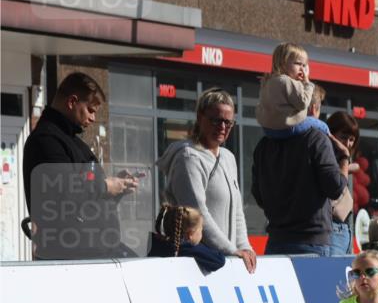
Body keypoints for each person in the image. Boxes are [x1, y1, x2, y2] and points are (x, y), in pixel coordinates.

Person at [23, 72, 139, 260]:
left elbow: (87, 201)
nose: (93, 118)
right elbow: (64, 194)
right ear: (72, 102)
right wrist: (106, 186)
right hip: (71, 257)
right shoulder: (46, 141)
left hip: (93, 250)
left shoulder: (71, 141)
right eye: (91, 110)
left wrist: (118, 187)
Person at [158, 88, 256, 273]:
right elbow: (198, 213)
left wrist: (244, 247)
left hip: (224, 262)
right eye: (216, 120)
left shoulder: (228, 157)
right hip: (197, 265)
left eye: (228, 122)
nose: (222, 127)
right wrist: (231, 250)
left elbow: (237, 211)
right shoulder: (188, 157)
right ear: (200, 117)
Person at [251, 78, 348, 256]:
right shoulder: (317, 139)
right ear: (313, 109)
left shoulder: (264, 145)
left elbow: (259, 196)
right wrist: (344, 159)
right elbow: (335, 188)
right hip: (311, 242)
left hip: (276, 241)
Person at [255, 42, 330, 138]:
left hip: (268, 129)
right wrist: (308, 83)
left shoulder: (268, 81)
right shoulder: (288, 82)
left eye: (304, 65)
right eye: (298, 64)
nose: (302, 69)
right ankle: (331, 139)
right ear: (283, 63)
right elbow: (303, 102)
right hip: (287, 128)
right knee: (321, 125)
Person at [148, 204, 226, 272]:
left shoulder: (155, 243)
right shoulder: (186, 248)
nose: (202, 231)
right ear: (191, 234)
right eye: (201, 228)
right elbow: (219, 260)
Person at [326, 109, 359, 255]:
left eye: (351, 139)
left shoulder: (342, 159)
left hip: (345, 229)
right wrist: (344, 160)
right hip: (332, 229)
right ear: (332, 135)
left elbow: (356, 166)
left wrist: (345, 161)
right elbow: (337, 184)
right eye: (343, 137)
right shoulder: (325, 156)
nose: (347, 143)